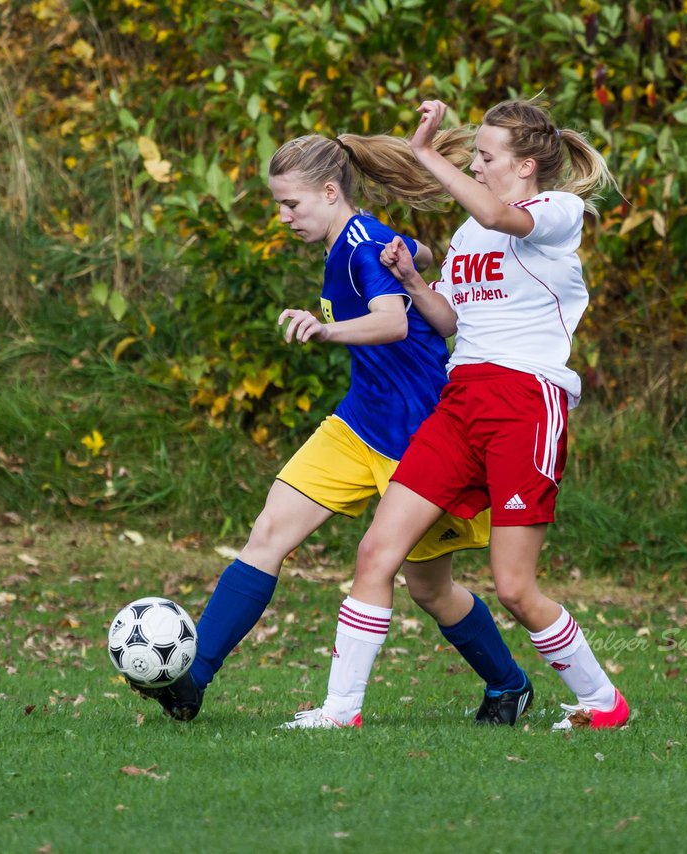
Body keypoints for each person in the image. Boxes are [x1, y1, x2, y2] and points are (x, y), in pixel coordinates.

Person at [133, 132, 534, 726]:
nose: (283, 216)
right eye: (277, 204)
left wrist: (326, 331)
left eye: (291, 203)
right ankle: (194, 680)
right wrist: (417, 257)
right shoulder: (361, 239)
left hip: (417, 440)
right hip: (356, 424)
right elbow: (420, 252)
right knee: (268, 532)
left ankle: (509, 683)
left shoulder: (361, 246)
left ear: (328, 191)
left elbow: (392, 323)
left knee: (429, 587)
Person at [282, 98, 629, 731]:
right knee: (376, 553)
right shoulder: (469, 235)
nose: (475, 164)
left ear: (526, 166)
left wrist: (421, 155)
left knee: (516, 589)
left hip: (525, 403)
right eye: (473, 156)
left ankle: (602, 702)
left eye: (486, 156)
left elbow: (497, 211)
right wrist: (415, 282)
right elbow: (449, 323)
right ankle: (340, 712)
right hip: (459, 401)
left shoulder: (555, 210)